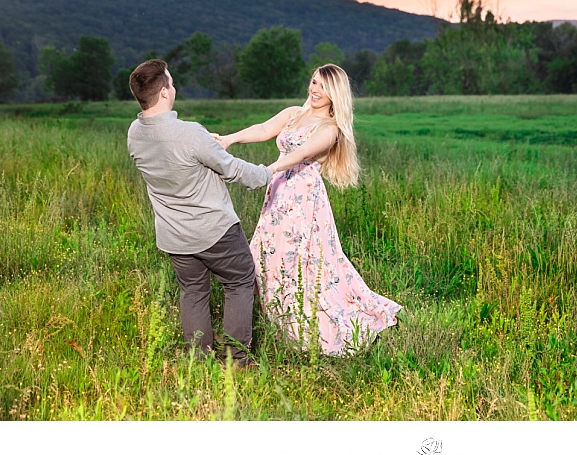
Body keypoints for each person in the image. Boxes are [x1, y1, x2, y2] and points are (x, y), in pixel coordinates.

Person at [212, 64, 401, 355]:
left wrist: (266, 170)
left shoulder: (330, 129)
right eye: (314, 82)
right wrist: (229, 139)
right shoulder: (293, 113)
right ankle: (269, 318)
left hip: (302, 199)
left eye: (323, 86)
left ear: (334, 94)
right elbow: (263, 129)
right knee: (266, 254)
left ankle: (300, 322)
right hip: (277, 196)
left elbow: (300, 154)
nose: (314, 90)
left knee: (299, 259)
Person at [127, 59, 272, 367]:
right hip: (213, 230)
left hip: (174, 235)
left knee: (193, 292)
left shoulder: (134, 133)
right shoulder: (190, 133)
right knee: (239, 282)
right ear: (165, 92)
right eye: (172, 82)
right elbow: (231, 169)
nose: (174, 87)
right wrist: (266, 175)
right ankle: (237, 361)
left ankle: (199, 360)